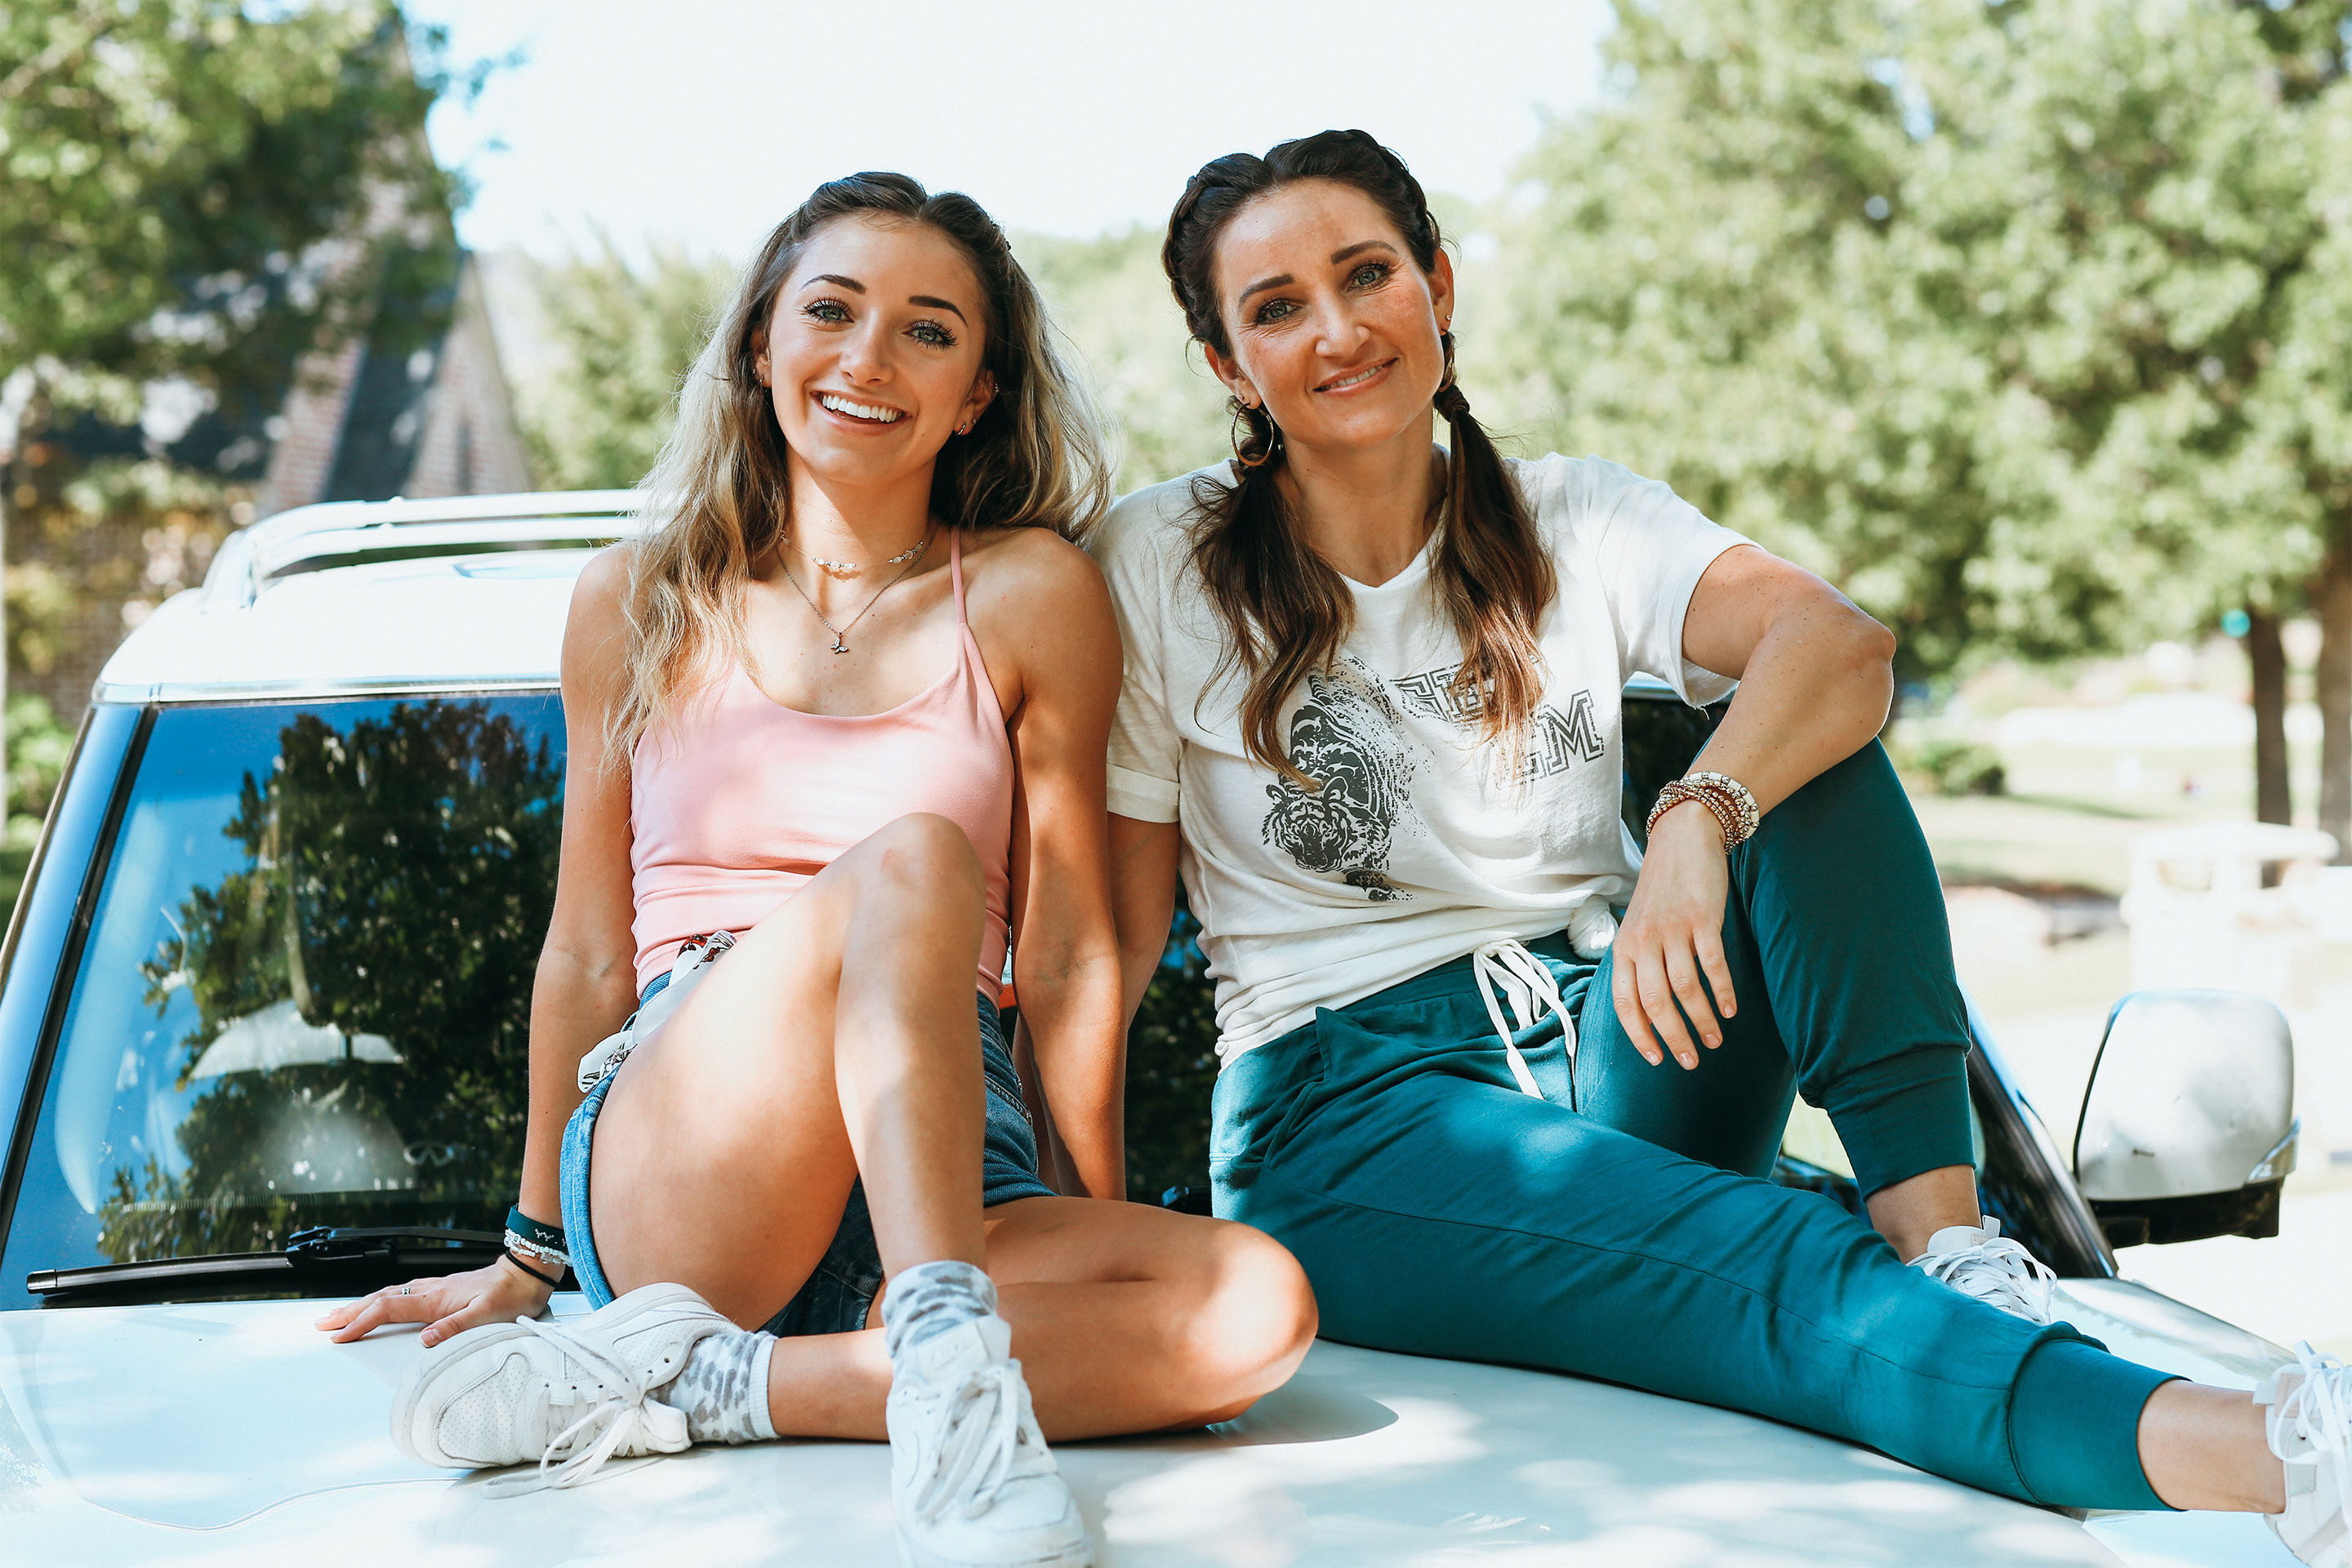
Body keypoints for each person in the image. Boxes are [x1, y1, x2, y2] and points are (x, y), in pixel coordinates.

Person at [1095, 129, 2349, 1563]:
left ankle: (1952, 1254)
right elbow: (1104, 940)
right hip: (1353, 1112)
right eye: (1275, 307)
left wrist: (1695, 815)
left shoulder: (1571, 517)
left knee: (1805, 741)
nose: (1336, 329)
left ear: (1438, 283)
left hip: (1601, 1028)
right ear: (1225, 365)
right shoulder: (1160, 564)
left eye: (1367, 272)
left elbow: (1840, 645)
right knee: (1766, 1254)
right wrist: (1087, 1242)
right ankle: (2290, 1460)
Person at [317, 172, 1316, 1568]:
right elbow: (590, 950)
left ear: (977, 392)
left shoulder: (1030, 594)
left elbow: (1077, 952)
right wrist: (530, 1254)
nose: (866, 358)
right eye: (831, 311)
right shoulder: (640, 596)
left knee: (1260, 1309)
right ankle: (955, 1380)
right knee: (914, 865)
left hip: (956, 1164)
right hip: (697, 1147)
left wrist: (1095, 1202)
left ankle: (715, 1384)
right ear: (760, 348)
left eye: (927, 330)